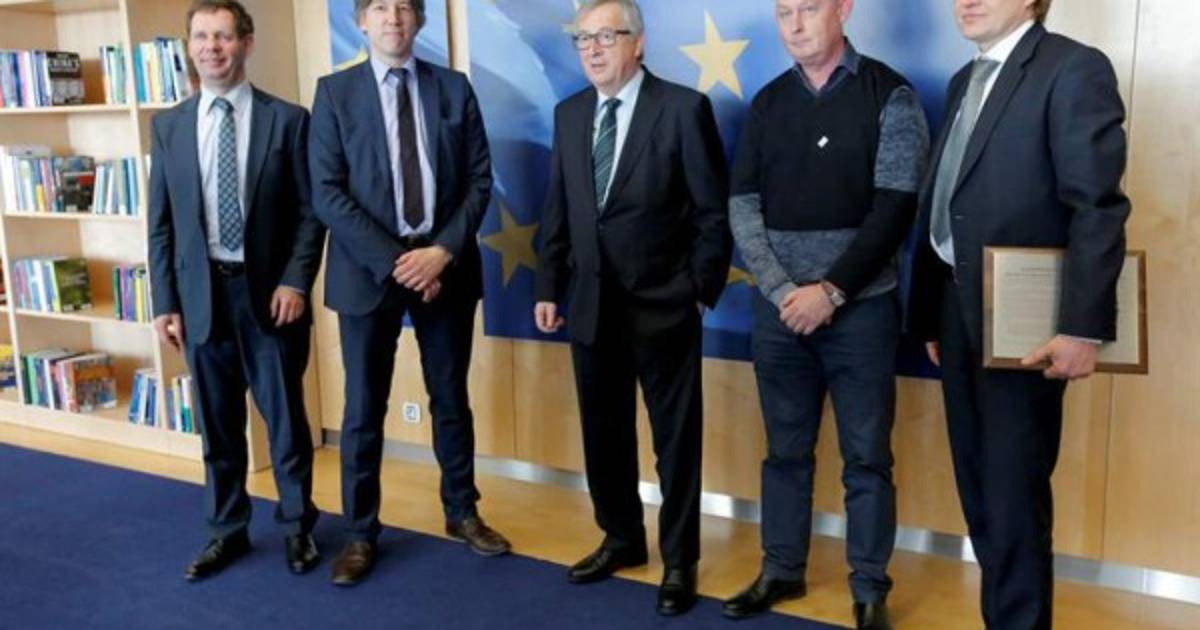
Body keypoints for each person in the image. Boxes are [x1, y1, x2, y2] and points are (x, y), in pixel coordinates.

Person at [908, 0, 1131, 627]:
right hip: (956, 313)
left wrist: (1082, 327)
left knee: (1013, 499)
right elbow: (950, 201)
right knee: (980, 493)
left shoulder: (1073, 68)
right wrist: (931, 314)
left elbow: (1097, 207)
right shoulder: (966, 78)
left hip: (1026, 326)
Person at [720, 2, 928, 628]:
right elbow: (742, 205)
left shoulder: (890, 95)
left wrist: (830, 292)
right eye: (784, 11)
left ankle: (869, 588)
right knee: (784, 451)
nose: (794, 23)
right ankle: (781, 570)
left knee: (867, 458)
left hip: (860, 315)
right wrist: (784, 289)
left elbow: (895, 208)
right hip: (780, 313)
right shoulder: (767, 102)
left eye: (809, 7)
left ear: (843, 9)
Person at [533, 0, 732, 616]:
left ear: (638, 43)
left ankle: (680, 561)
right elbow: (559, 209)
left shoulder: (682, 109)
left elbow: (713, 214)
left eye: (607, 36)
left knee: (675, 442)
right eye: (583, 39)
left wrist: (696, 290)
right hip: (591, 304)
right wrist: (548, 286)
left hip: (664, 306)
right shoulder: (570, 114)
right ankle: (621, 538)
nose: (592, 49)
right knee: (604, 432)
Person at [308, 0, 510, 587]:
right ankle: (360, 532)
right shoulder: (334, 94)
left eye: (403, 6)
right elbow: (327, 192)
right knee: (363, 409)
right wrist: (398, 263)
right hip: (368, 273)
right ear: (361, 20)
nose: (393, 16)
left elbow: (479, 179)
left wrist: (441, 251)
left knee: (450, 398)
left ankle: (462, 511)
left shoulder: (454, 88)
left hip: (445, 268)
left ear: (419, 20)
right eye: (379, 6)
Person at [148, 0, 325, 581]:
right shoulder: (169, 126)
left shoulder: (288, 120)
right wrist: (165, 302)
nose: (212, 48)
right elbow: (161, 224)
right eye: (201, 37)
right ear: (189, 46)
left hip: (269, 297)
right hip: (202, 299)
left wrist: (296, 280)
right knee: (218, 426)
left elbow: (310, 214)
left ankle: (297, 528)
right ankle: (227, 531)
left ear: (247, 43)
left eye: (223, 36)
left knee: (286, 423)